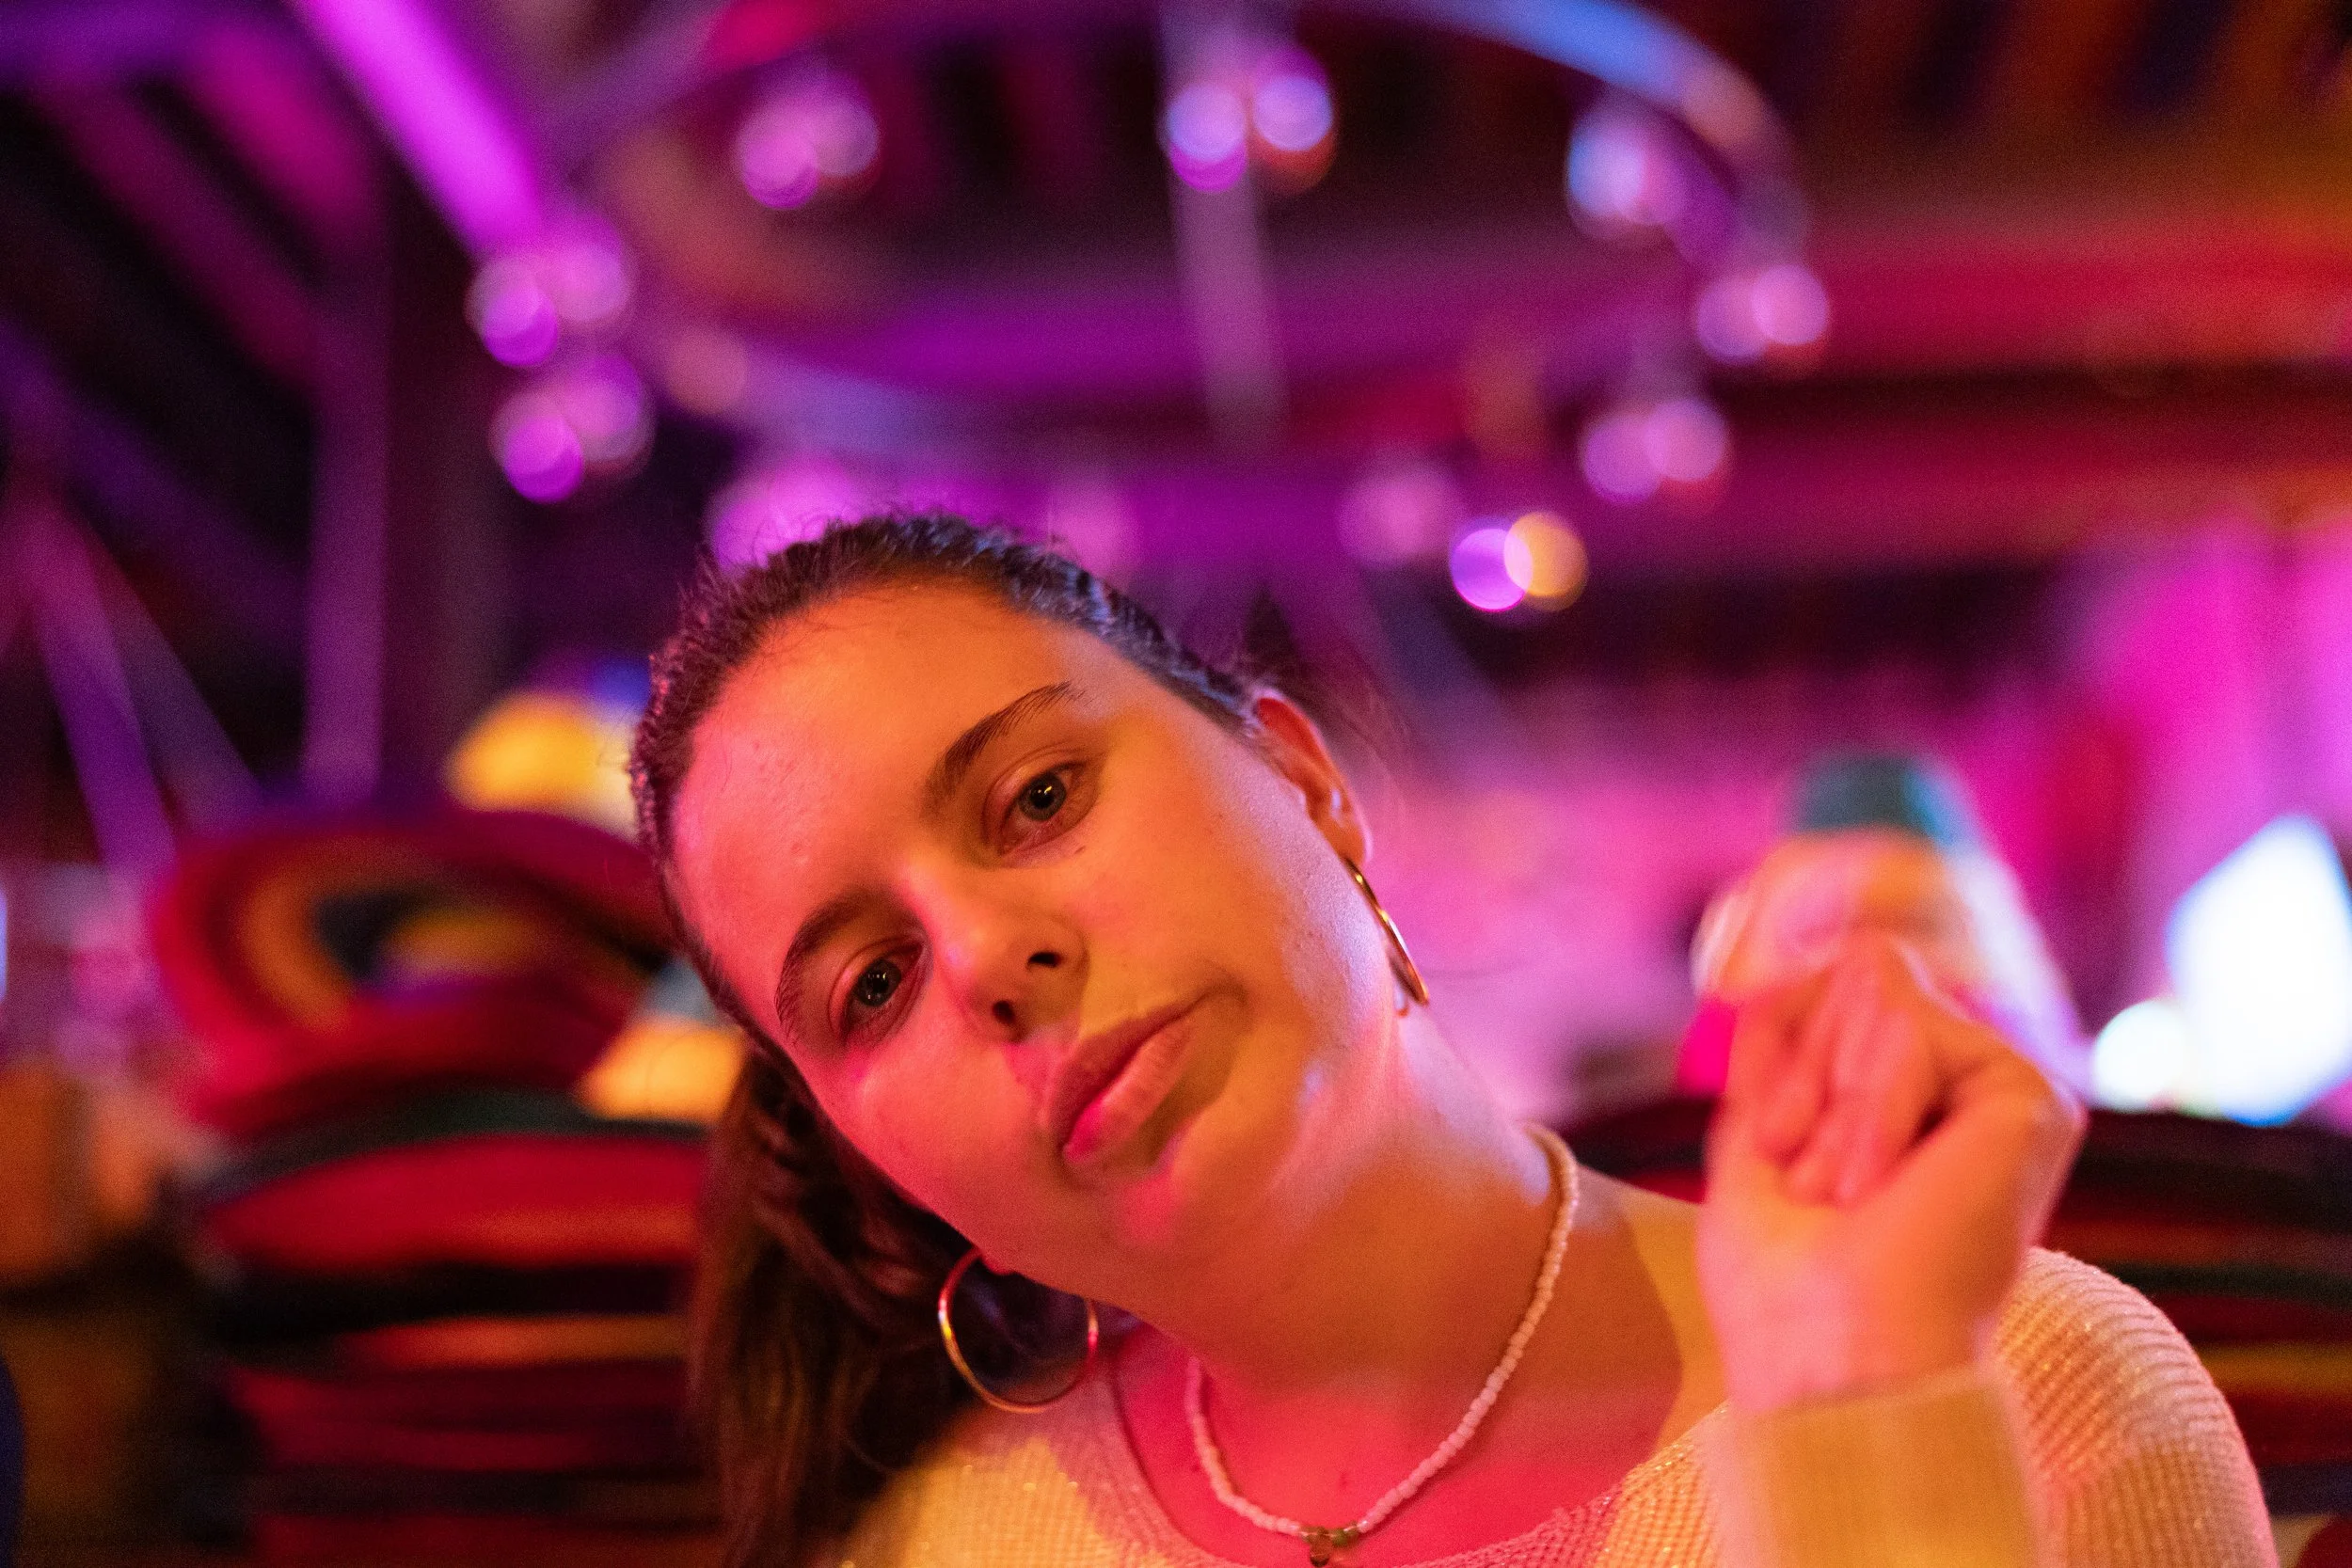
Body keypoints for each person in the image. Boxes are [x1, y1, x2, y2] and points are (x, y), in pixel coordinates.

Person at [628, 515, 2275, 1568]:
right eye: (870, 985)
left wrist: (1861, 1409)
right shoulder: (945, 1551)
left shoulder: (2041, 1390)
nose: (988, 958)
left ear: (1306, 784)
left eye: (1041, 796)